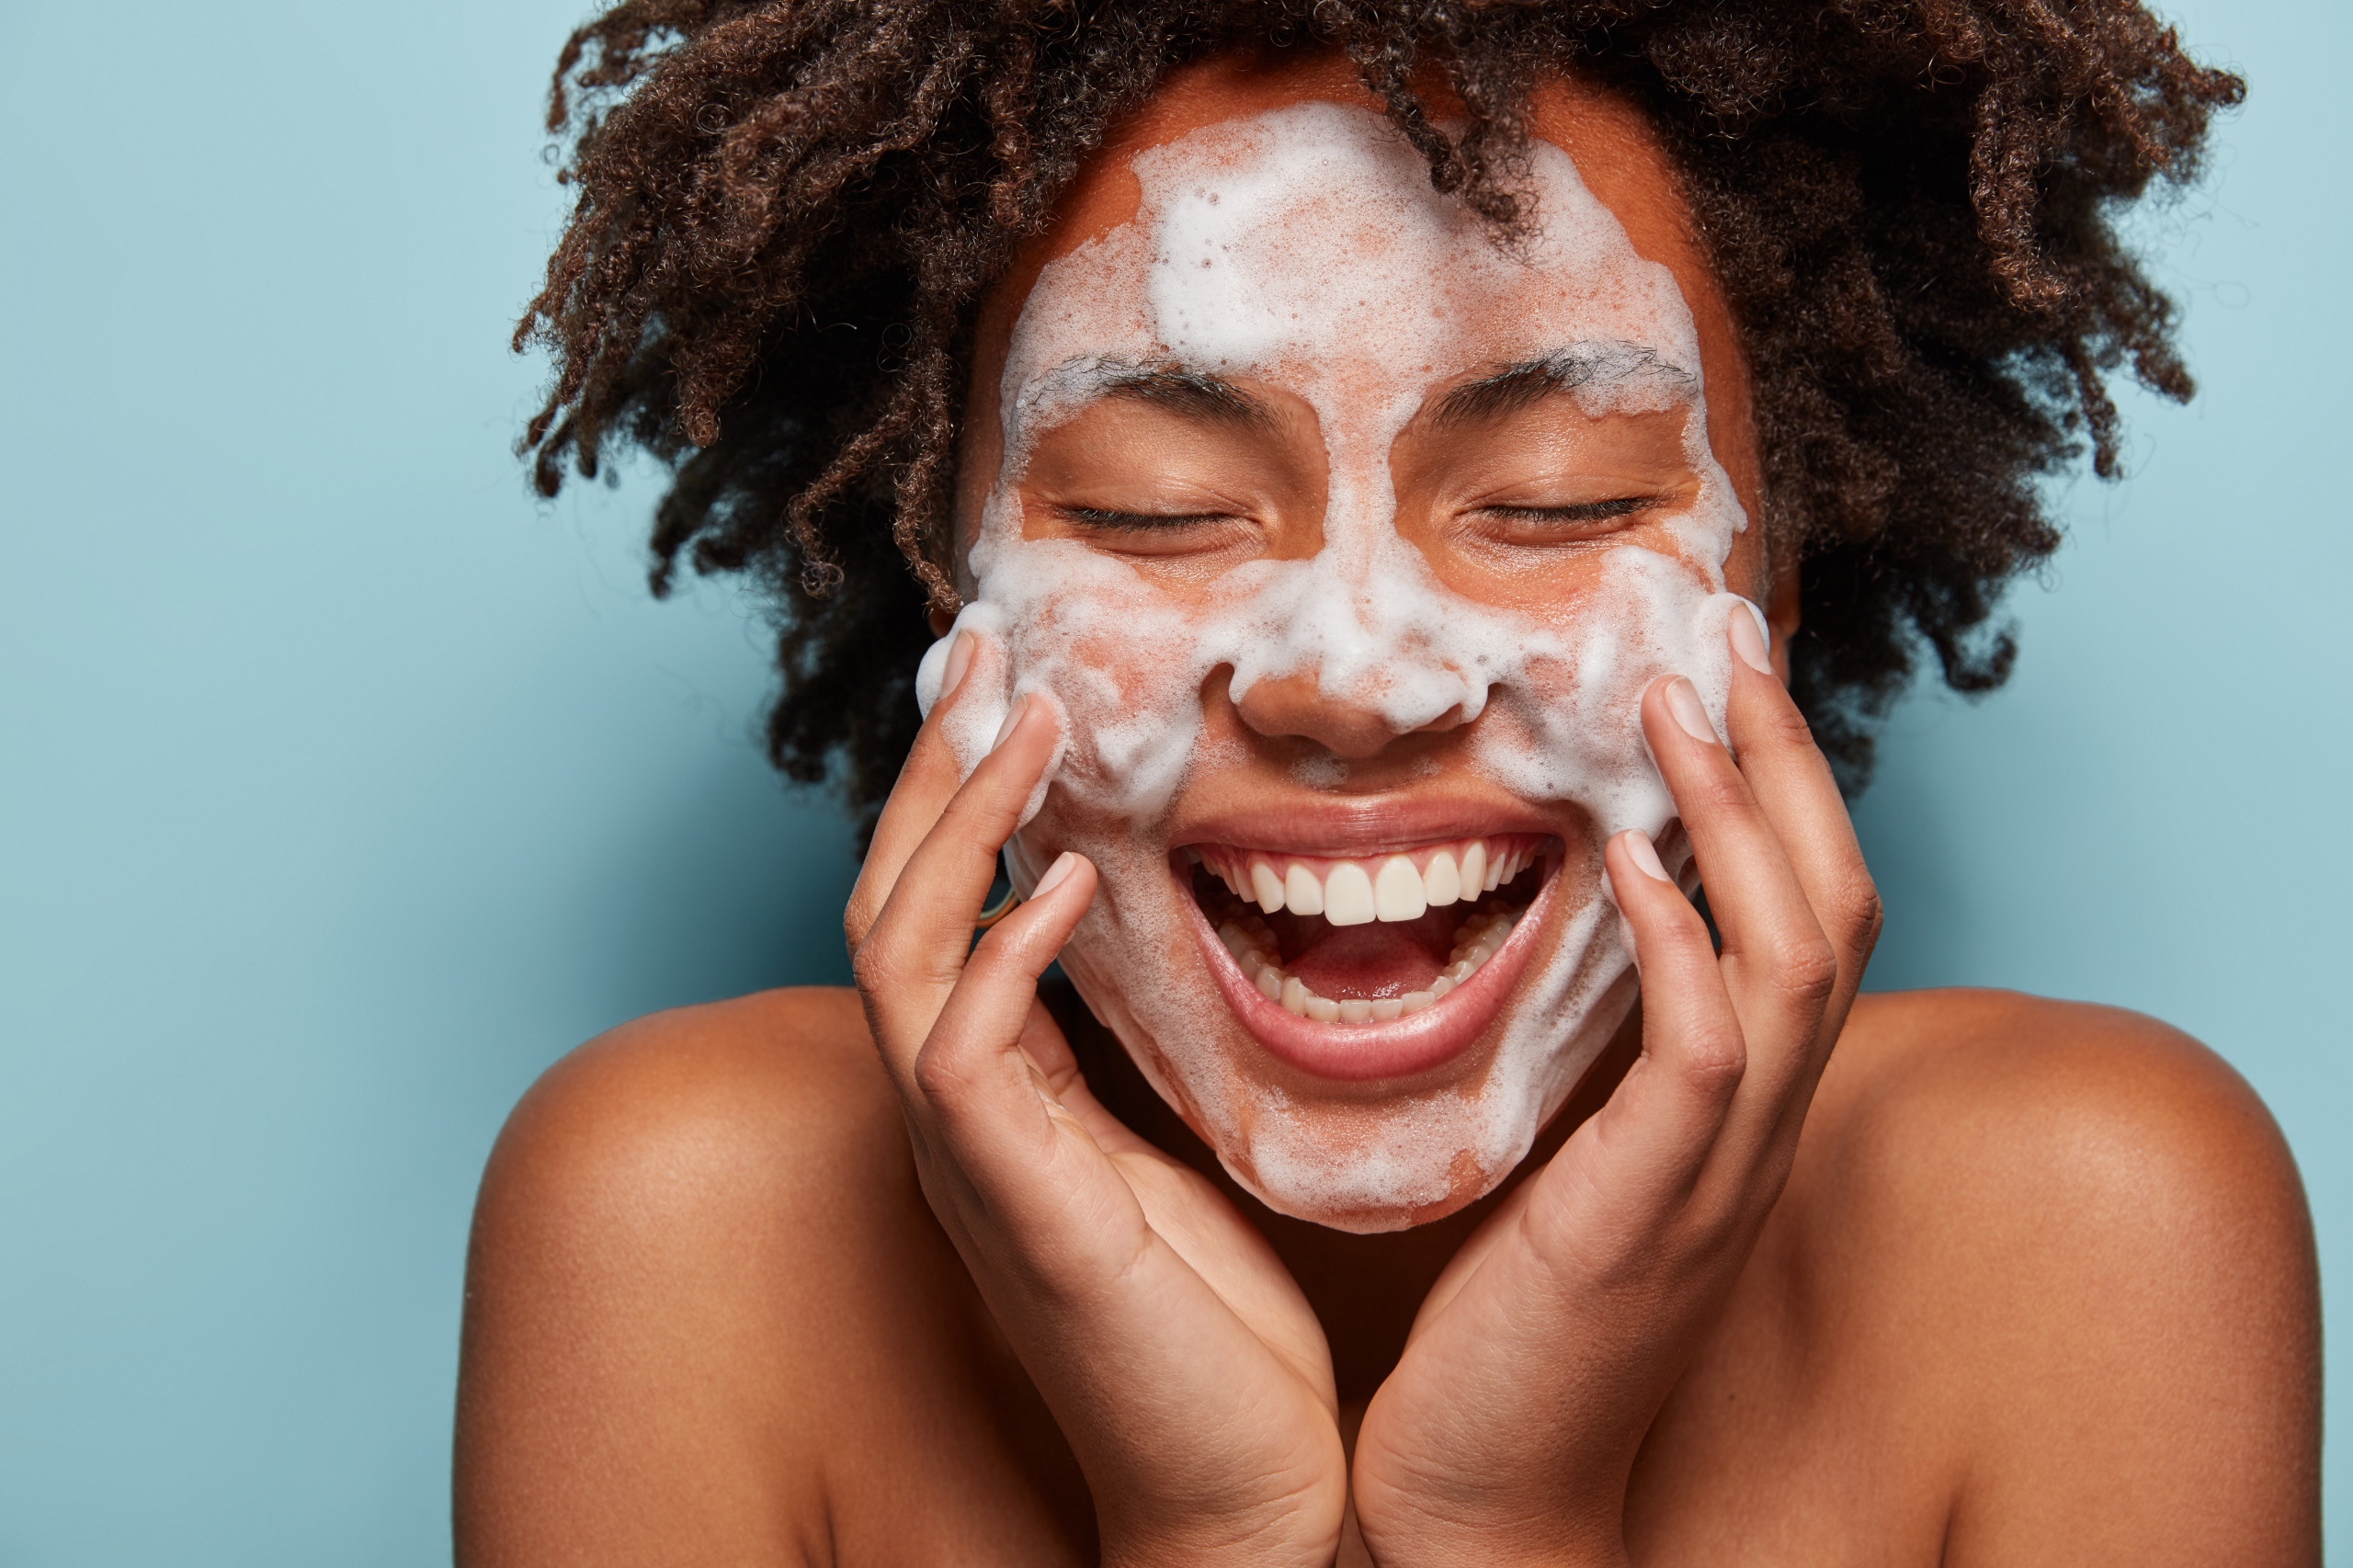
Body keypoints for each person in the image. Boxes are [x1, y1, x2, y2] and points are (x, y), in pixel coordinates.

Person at [454, 5, 2319, 1564]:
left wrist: (1504, 1520)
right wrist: (1210, 1533)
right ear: (953, 601)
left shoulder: (2090, 1228)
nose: (1348, 676)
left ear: (1769, 589)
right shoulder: (680, 1224)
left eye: (1561, 496)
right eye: (1148, 510)